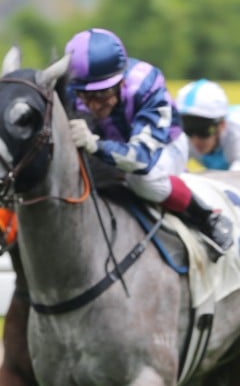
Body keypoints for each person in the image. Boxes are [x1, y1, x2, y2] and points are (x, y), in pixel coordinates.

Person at [63, 28, 233, 256]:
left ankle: (207, 216)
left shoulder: (146, 84)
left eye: (102, 94)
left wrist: (95, 145)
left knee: (142, 180)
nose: (94, 105)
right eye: (85, 95)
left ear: (121, 81)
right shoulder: (70, 91)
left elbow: (141, 159)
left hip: (163, 147)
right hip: (109, 147)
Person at [175, 79, 240, 171]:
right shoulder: (183, 138)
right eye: (187, 128)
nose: (195, 139)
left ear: (221, 125)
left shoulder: (236, 132)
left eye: (203, 129)